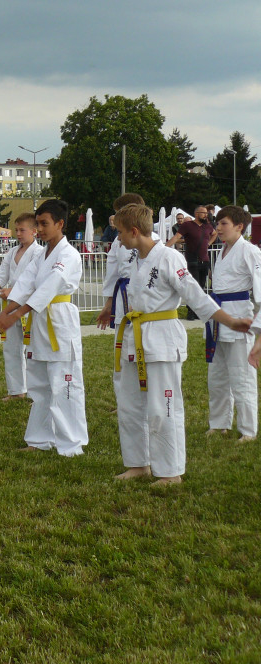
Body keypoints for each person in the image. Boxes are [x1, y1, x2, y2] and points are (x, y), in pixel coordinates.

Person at [110, 203, 250, 484]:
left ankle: (170, 471)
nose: (119, 239)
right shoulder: (135, 258)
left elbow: (196, 296)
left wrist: (230, 321)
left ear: (135, 231)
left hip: (161, 336)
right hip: (134, 335)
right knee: (130, 405)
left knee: (164, 407)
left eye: (121, 233)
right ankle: (139, 464)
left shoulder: (169, 258)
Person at [0, 200, 87, 457]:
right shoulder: (42, 254)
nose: (41, 229)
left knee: (65, 384)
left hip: (59, 321)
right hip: (40, 323)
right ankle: (39, 439)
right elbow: (24, 284)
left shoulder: (68, 255)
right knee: (40, 385)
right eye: (39, 224)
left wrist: (16, 315)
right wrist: (4, 313)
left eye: (45, 224)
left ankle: (71, 444)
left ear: (60, 224)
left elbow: (48, 288)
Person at [205, 206, 261, 442]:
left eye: (223, 223)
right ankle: (219, 423)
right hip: (219, 319)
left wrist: (259, 333)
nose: (218, 227)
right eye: (217, 223)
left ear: (240, 226)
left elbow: (260, 293)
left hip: (240, 319)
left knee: (242, 377)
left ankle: (248, 430)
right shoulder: (222, 251)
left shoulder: (250, 252)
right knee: (217, 377)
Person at [96, 194, 156, 415]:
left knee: (144, 348)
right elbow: (112, 273)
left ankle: (147, 400)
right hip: (122, 298)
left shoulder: (153, 239)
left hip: (145, 299)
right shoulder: (118, 242)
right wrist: (108, 305)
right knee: (121, 349)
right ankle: (124, 401)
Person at [0, 213, 43, 401]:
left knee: (32, 349)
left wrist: (13, 291)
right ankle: (16, 391)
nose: (18, 234)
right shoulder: (12, 252)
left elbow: (34, 281)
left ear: (34, 231)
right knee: (11, 348)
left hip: (29, 305)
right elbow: (1, 275)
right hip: (11, 305)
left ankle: (36, 390)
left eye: (22, 230)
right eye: (16, 230)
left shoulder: (39, 253)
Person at [167, 205, 217, 319]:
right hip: (192, 260)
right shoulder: (187, 225)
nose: (206, 215)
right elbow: (176, 237)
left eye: (206, 213)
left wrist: (209, 243)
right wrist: (164, 248)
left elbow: (214, 234)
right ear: (196, 214)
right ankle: (190, 311)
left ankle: (199, 311)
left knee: (202, 286)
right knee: (192, 287)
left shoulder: (208, 226)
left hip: (205, 260)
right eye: (203, 213)